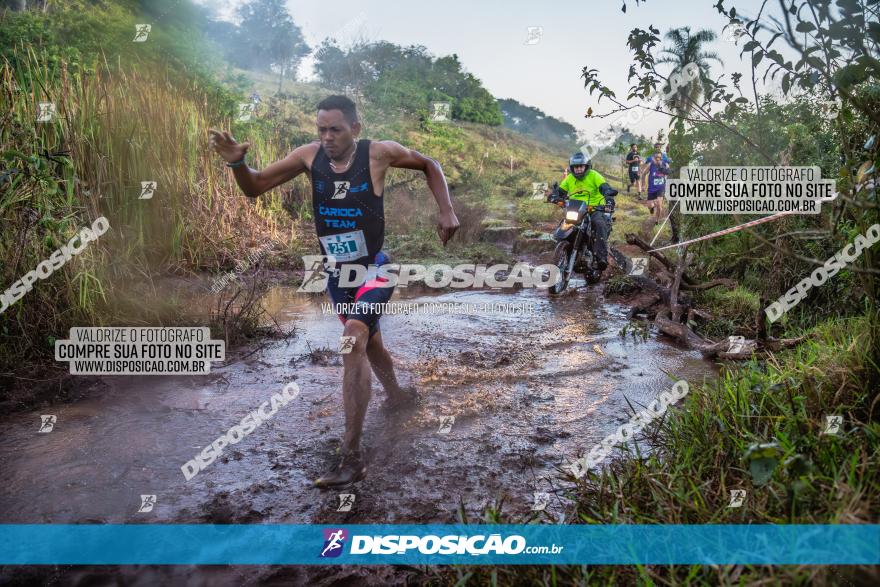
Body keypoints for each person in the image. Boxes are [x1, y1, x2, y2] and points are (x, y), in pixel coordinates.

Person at [208, 95, 460, 487]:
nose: (326, 137)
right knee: (369, 344)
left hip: (375, 268)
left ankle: (351, 454)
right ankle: (396, 395)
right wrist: (237, 163)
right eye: (321, 129)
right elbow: (255, 187)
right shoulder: (309, 157)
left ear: (355, 129)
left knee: (351, 339)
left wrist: (445, 210)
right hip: (338, 276)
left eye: (335, 129)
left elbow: (430, 164)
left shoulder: (378, 154)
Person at [552, 152, 616, 271]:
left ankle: (600, 258)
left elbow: (604, 187)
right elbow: (561, 191)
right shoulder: (570, 178)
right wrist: (555, 196)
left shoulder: (594, 175)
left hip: (595, 208)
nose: (579, 169)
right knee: (564, 225)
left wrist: (608, 197)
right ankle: (561, 251)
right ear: (572, 168)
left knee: (598, 223)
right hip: (576, 209)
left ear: (587, 166)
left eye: (581, 166)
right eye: (576, 167)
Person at [641, 152, 670, 225]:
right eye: (656, 157)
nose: (657, 159)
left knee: (659, 206)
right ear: (653, 158)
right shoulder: (650, 165)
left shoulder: (665, 164)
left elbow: (669, 172)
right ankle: (651, 208)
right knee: (650, 205)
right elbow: (644, 174)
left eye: (659, 158)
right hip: (651, 188)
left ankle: (657, 220)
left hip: (661, 188)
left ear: (661, 158)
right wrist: (643, 185)